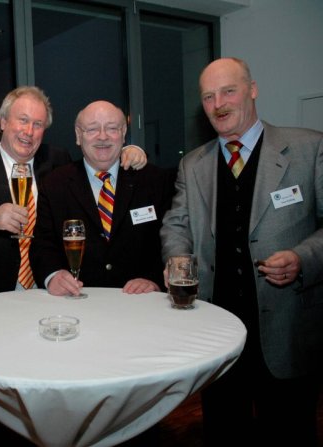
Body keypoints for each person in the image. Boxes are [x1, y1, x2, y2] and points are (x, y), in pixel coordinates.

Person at [160, 57, 323, 446]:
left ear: (252, 90)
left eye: (228, 91)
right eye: (208, 97)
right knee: (223, 432)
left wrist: (302, 258)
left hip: (286, 330)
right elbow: (176, 225)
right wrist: (177, 259)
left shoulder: (309, 147)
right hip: (218, 335)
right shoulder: (193, 165)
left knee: (290, 433)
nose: (219, 104)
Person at [0, 86, 148, 298]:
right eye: (23, 120)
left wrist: (127, 152)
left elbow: (95, 163)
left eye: (38, 124)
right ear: (4, 122)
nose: (29, 131)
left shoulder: (57, 161)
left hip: (50, 294)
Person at [30, 100, 175, 296]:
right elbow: (43, 245)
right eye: (92, 129)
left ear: (123, 133)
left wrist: (154, 279)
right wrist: (53, 275)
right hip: (78, 300)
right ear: (78, 136)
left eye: (112, 128)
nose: (103, 136)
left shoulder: (154, 180)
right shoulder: (54, 184)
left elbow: (170, 239)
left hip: (139, 302)